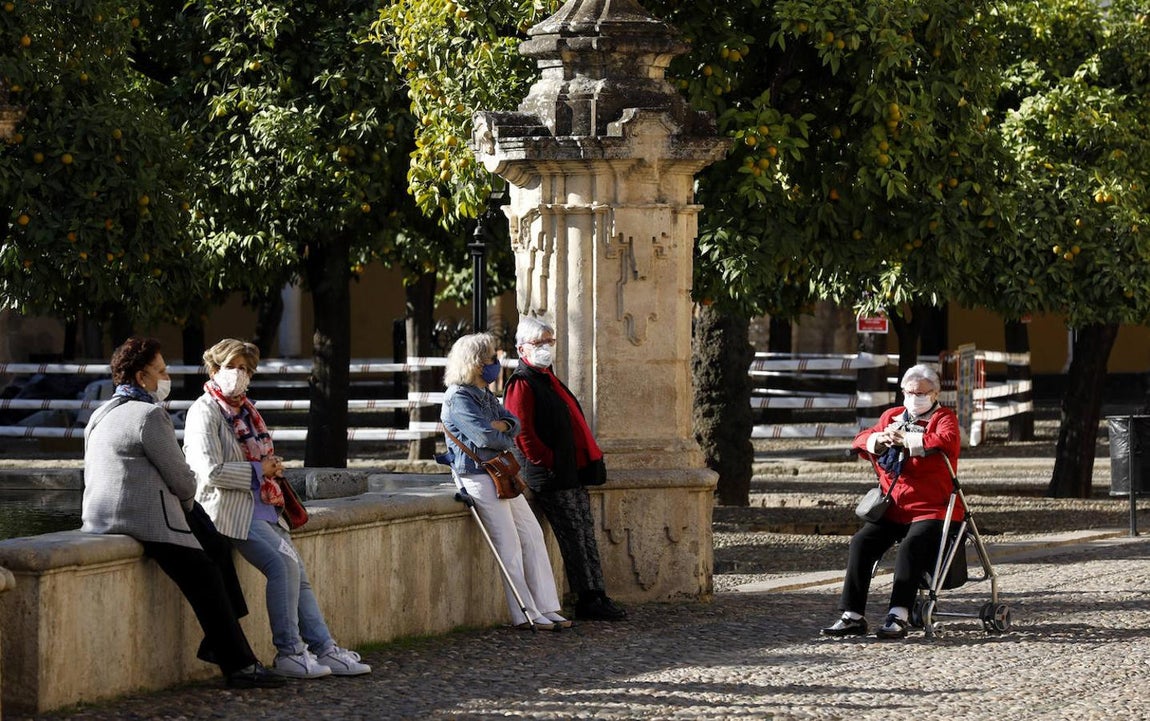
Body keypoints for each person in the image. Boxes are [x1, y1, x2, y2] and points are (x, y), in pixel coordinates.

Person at [81, 336, 283, 689]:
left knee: (217, 546)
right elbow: (184, 483)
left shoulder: (100, 413)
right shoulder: (149, 416)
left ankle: (219, 644)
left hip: (100, 516)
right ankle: (239, 664)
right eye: (160, 370)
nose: (166, 376)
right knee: (205, 572)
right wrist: (188, 507)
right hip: (143, 518)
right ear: (142, 377)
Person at [183, 338, 371, 678]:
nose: (240, 375)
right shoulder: (204, 411)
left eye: (247, 369)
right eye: (234, 367)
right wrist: (260, 470)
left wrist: (269, 467)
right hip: (232, 512)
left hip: (266, 509)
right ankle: (289, 651)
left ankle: (323, 648)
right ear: (214, 369)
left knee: (298, 577)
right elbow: (208, 471)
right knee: (283, 566)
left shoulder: (246, 410)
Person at [439, 332, 571, 631]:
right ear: (474, 363)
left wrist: (501, 427)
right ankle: (525, 612)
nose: (495, 364)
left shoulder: (483, 394)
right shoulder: (458, 398)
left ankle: (547, 607)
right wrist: (501, 430)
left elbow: (514, 422)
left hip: (500, 473)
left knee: (532, 534)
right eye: (490, 359)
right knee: (508, 544)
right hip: (477, 475)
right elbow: (485, 437)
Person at [821, 363, 962, 640]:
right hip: (894, 507)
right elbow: (860, 440)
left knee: (911, 547)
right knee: (861, 542)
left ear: (935, 394)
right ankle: (852, 616)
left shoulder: (944, 417)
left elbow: (945, 441)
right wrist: (878, 438)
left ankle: (899, 615)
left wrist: (908, 439)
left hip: (932, 508)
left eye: (922, 393)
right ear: (902, 392)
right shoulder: (892, 415)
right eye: (910, 392)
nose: (915, 397)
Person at [502, 316, 627, 621]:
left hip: (569, 471)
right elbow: (523, 434)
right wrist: (551, 462)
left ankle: (597, 593)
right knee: (572, 535)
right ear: (522, 349)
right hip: (551, 475)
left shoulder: (548, 378)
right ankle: (586, 598)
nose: (546, 347)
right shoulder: (522, 383)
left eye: (550, 340)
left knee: (584, 533)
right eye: (539, 342)